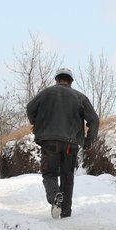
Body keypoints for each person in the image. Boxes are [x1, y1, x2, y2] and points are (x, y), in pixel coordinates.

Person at [26, 67, 99, 218]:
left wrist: (36, 122)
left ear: (57, 79)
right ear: (71, 81)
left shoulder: (45, 94)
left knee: (50, 173)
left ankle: (55, 197)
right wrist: (88, 141)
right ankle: (65, 211)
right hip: (71, 144)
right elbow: (94, 120)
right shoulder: (80, 97)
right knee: (67, 176)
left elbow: (30, 108)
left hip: (49, 141)